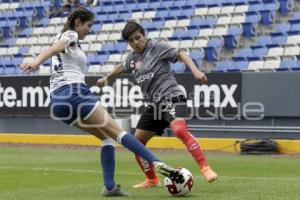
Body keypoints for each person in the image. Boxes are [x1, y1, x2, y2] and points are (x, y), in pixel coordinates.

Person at [20, 8, 184, 197]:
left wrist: (38, 61)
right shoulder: (70, 34)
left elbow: (56, 48)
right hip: (75, 94)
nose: (90, 30)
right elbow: (55, 48)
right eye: (88, 25)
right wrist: (36, 61)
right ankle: (156, 162)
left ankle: (109, 186)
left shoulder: (63, 39)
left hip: (57, 102)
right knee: (118, 132)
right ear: (78, 22)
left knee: (106, 138)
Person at [97, 21, 218, 189]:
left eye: (137, 38)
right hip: (154, 106)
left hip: (172, 96)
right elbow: (122, 67)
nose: (135, 43)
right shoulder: (133, 57)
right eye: (131, 41)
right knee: (136, 144)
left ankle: (205, 168)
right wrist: (107, 78)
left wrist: (195, 71)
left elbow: (181, 55)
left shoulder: (157, 47)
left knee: (179, 130)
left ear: (143, 35)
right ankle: (152, 180)